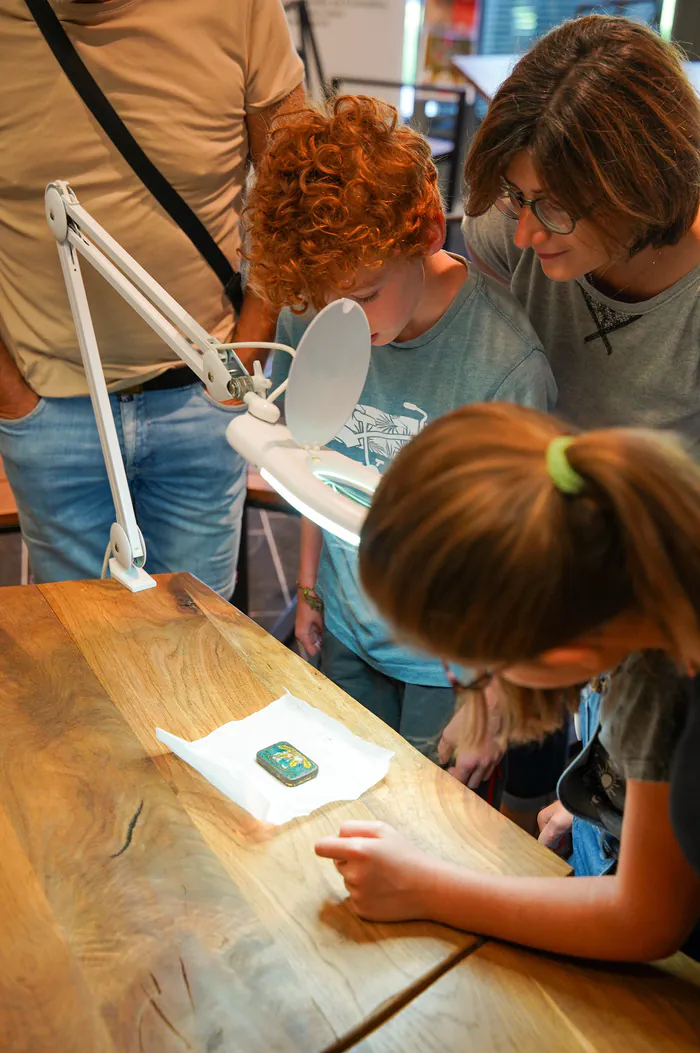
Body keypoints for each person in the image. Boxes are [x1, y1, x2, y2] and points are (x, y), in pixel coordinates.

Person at [316, 402, 700, 962]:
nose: (471, 683)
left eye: (477, 668)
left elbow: (647, 920)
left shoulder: (658, 674)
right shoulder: (622, 562)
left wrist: (427, 888)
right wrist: (622, 796)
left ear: (562, 648)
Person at [244, 95, 556, 773]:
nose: (343, 320)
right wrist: (309, 590)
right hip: (346, 628)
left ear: (428, 230)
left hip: (444, 662)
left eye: (363, 295)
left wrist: (486, 688)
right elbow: (310, 457)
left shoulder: (505, 363)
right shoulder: (316, 316)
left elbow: (521, 552)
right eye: (325, 301)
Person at [451, 13, 700, 829]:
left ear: (640, 182)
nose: (524, 233)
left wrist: (625, 773)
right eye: (519, 198)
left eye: (551, 209)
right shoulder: (518, 228)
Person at [0, 0, 304, 594]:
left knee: (202, 648)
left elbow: (289, 180)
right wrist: (10, 394)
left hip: (203, 398)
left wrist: (245, 358)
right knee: (84, 659)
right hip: (49, 409)